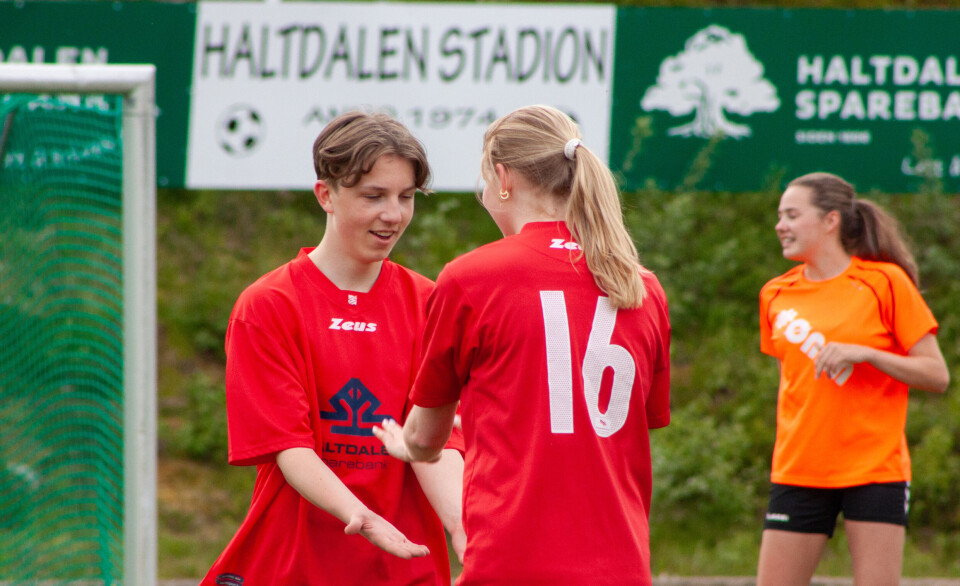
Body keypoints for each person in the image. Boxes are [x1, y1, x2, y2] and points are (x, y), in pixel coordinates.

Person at [373, 104, 671, 585]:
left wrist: (407, 445)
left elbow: (427, 439)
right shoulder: (642, 286)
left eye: (484, 179)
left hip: (512, 562)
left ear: (503, 176)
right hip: (621, 565)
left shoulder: (472, 278)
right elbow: (635, 425)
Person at [200, 111, 464, 586]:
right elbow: (289, 447)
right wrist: (361, 516)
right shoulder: (269, 305)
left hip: (407, 564)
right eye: (373, 196)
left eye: (405, 198)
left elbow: (433, 445)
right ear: (326, 195)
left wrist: (466, 530)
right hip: (294, 563)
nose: (393, 214)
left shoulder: (431, 303)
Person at [755, 172, 949, 586]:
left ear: (830, 221)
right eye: (779, 216)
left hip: (874, 470)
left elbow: (937, 375)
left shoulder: (884, 284)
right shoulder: (775, 294)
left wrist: (867, 354)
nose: (780, 225)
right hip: (798, 470)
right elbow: (790, 383)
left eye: (792, 214)